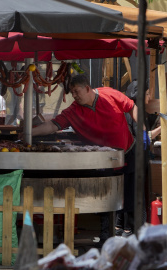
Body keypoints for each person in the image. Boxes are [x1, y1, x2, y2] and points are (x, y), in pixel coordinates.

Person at [32, 74, 138, 238]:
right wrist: (28, 133)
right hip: (102, 160)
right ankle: (106, 234)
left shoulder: (109, 94)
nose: (73, 96)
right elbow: (53, 125)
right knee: (106, 198)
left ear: (87, 88)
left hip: (127, 152)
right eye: (71, 93)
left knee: (130, 196)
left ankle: (131, 233)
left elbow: (131, 107)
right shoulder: (73, 110)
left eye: (76, 91)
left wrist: (143, 129)